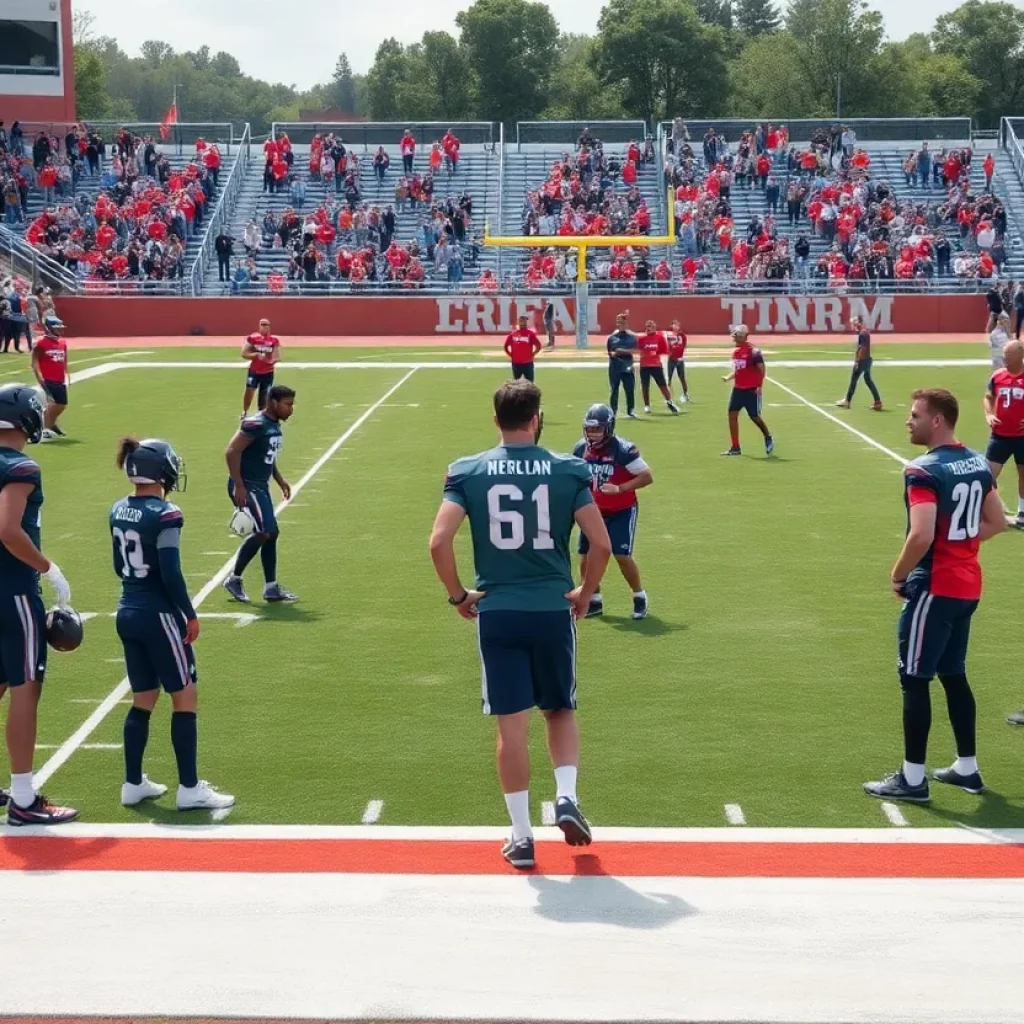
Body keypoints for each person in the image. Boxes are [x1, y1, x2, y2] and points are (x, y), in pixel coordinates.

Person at [429, 380, 612, 870]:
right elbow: (601, 544)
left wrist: (458, 595)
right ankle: (567, 796)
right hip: (552, 608)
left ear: (496, 420)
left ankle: (522, 835)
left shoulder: (467, 471)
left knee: (511, 728)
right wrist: (586, 592)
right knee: (560, 709)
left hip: (499, 610)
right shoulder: (568, 469)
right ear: (537, 419)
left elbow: (438, 542)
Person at [864, 389, 1006, 803]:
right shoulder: (979, 461)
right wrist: (959, 543)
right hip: (967, 585)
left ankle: (912, 779)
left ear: (937, 420)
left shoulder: (922, 470)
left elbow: (921, 533)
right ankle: (966, 767)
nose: (908, 421)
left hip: (936, 586)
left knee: (914, 678)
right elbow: (996, 521)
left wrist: (897, 575)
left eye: (915, 415)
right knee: (954, 674)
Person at [111, 438, 234, 811]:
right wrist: (189, 612)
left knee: (144, 698)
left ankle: (133, 783)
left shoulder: (119, 508)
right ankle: (190, 788)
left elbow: (123, 565)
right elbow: (170, 571)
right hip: (158, 613)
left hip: (127, 608)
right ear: (159, 469)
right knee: (185, 696)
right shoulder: (165, 513)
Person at [0, 384, 77, 825]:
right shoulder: (20, 465)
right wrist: (47, 568)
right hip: (11, 590)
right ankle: (25, 800)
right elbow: (9, 530)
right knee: (25, 686)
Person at [573, 403, 653, 621]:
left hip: (621, 509)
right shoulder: (581, 449)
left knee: (622, 555)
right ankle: (594, 599)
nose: (593, 434)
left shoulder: (624, 450)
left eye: (597, 429)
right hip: (593, 510)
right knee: (585, 556)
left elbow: (647, 476)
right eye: (590, 429)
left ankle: (639, 595)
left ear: (608, 428)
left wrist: (620, 488)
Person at [223, 385, 298, 605]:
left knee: (271, 533)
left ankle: (271, 588)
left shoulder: (273, 425)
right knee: (266, 531)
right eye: (288, 404)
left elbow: (267, 455)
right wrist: (238, 485)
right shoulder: (256, 424)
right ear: (273, 402)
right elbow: (232, 451)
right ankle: (234, 579)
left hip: (259, 486)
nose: (291, 409)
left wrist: (280, 480)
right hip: (247, 485)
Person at [983, 339, 1024, 531]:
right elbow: (988, 396)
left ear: (1020, 355)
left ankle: (1022, 513)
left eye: (1009, 355)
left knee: (1023, 474)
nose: (1004, 358)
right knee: (987, 475)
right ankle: (987, 511)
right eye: (1004, 354)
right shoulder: (998, 376)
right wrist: (989, 414)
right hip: (999, 435)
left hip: (1022, 436)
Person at [721, 325, 774, 457]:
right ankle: (735, 447)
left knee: (754, 416)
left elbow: (762, 369)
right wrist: (729, 377)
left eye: (736, 337)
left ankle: (767, 436)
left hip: (751, 390)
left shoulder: (754, 352)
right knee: (732, 415)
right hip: (738, 389)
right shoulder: (736, 353)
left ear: (743, 336)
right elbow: (739, 370)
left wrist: (759, 386)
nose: (734, 340)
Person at [32, 315, 69, 440]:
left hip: (59, 378)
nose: (59, 330)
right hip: (48, 378)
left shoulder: (62, 342)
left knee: (62, 404)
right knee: (54, 404)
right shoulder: (41, 342)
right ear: (49, 328)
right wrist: (39, 376)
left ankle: (51, 424)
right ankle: (43, 429)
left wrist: (66, 373)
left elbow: (64, 360)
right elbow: (35, 361)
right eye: (56, 328)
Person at [835, 316, 882, 410]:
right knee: (868, 380)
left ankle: (847, 401)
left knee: (854, 380)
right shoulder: (865, 332)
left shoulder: (862, 334)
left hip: (863, 361)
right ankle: (877, 402)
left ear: (859, 322)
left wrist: (857, 360)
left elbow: (862, 348)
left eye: (854, 323)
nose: (853, 325)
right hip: (868, 360)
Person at [637, 320, 679, 415]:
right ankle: (647, 406)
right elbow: (637, 348)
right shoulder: (641, 338)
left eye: (651, 326)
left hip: (656, 365)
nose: (649, 328)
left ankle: (669, 402)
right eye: (647, 326)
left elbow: (665, 350)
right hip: (644, 365)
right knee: (645, 386)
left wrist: (655, 353)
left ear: (655, 327)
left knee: (662, 385)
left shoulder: (659, 337)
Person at [241, 318, 281, 415]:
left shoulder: (273, 341)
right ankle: (245, 411)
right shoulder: (253, 338)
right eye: (262, 324)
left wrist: (270, 361)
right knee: (250, 390)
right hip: (254, 370)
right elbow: (244, 353)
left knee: (265, 394)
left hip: (267, 372)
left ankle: (261, 414)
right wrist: (255, 355)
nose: (264, 327)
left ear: (269, 327)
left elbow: (276, 357)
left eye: (266, 325)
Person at [606, 311, 638, 420]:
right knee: (614, 390)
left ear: (626, 323)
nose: (620, 324)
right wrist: (616, 353)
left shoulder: (632, 337)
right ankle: (613, 411)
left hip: (628, 367)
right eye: (619, 322)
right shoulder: (612, 338)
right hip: (615, 368)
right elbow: (610, 352)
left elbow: (635, 350)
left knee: (629, 389)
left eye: (623, 322)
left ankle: (630, 410)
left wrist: (621, 351)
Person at [503, 314, 542, 382]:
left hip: (528, 363)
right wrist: (511, 355)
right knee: (516, 383)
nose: (523, 322)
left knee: (530, 383)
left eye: (525, 321)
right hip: (516, 363)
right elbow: (506, 346)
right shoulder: (513, 334)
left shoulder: (530, 334)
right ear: (518, 322)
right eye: (522, 320)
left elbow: (538, 346)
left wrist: (533, 354)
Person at [666, 319, 689, 404]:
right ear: (672, 326)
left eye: (677, 325)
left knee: (682, 378)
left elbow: (683, 346)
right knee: (669, 378)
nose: (676, 326)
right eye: (674, 325)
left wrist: (680, 356)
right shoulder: (669, 335)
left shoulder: (682, 335)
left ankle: (686, 394)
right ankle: (668, 397)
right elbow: (667, 346)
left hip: (679, 359)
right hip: (671, 359)